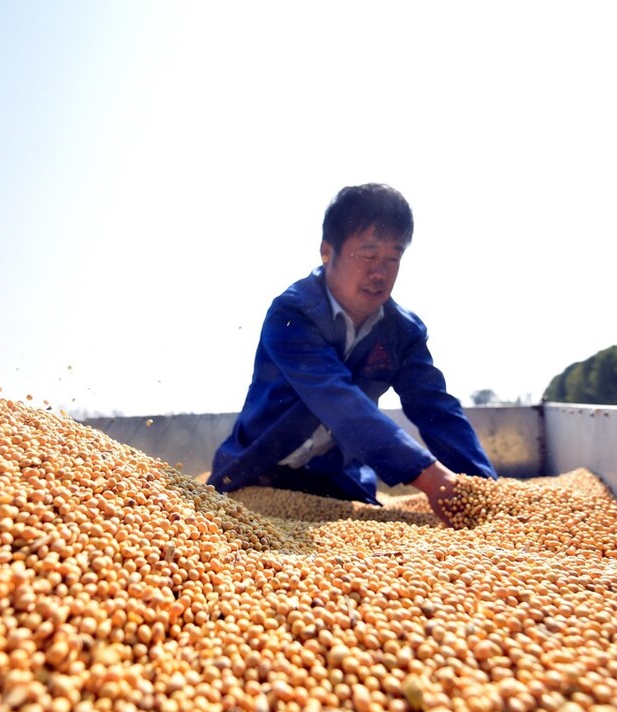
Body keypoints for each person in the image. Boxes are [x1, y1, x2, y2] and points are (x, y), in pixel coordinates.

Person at [207, 183, 497, 522]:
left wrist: (484, 487)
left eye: (394, 258)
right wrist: (428, 476)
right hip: (256, 472)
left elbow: (436, 408)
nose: (380, 272)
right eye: (369, 255)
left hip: (337, 482)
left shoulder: (402, 332)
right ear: (327, 251)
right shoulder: (293, 313)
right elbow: (337, 400)